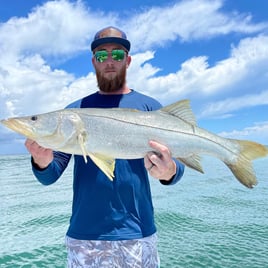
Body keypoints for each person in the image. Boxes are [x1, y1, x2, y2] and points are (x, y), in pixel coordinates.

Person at [25, 26, 185, 268]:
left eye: (117, 54)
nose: (109, 61)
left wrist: (170, 171)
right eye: (102, 55)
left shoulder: (150, 107)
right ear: (93, 62)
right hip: (84, 236)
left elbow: (179, 163)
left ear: (128, 60)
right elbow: (50, 175)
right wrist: (41, 161)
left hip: (138, 233)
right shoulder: (74, 111)